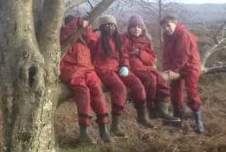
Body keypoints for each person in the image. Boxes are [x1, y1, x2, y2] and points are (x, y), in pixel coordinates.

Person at [89, 14, 154, 136]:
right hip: (104, 69)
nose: (110, 27)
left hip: (119, 67)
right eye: (107, 25)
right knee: (120, 88)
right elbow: (91, 48)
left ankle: (142, 116)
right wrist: (95, 33)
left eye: (113, 25)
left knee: (137, 84)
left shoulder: (118, 39)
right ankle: (115, 125)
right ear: (102, 27)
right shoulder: (97, 39)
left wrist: (126, 65)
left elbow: (124, 55)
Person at [60, 15, 111, 144]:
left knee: (98, 92)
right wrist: (77, 23)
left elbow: (94, 41)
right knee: (84, 93)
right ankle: (84, 132)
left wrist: (86, 28)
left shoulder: (84, 38)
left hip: (88, 69)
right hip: (71, 70)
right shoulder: (62, 34)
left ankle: (104, 128)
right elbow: (64, 34)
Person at [122, 15, 176, 121]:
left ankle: (162, 108)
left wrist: (140, 53)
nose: (136, 29)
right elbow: (122, 54)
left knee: (160, 79)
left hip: (146, 66)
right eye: (133, 27)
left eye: (139, 26)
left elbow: (152, 59)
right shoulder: (124, 39)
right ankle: (150, 108)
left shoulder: (146, 40)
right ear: (129, 28)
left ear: (142, 28)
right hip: (133, 67)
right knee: (150, 79)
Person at [160, 14, 205, 133]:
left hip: (190, 67)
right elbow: (166, 56)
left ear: (175, 24)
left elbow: (182, 55)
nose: (166, 29)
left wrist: (173, 70)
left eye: (168, 25)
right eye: (164, 27)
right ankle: (178, 120)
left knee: (192, 92)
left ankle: (198, 123)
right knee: (175, 92)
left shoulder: (183, 34)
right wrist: (167, 70)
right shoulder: (167, 37)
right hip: (177, 68)